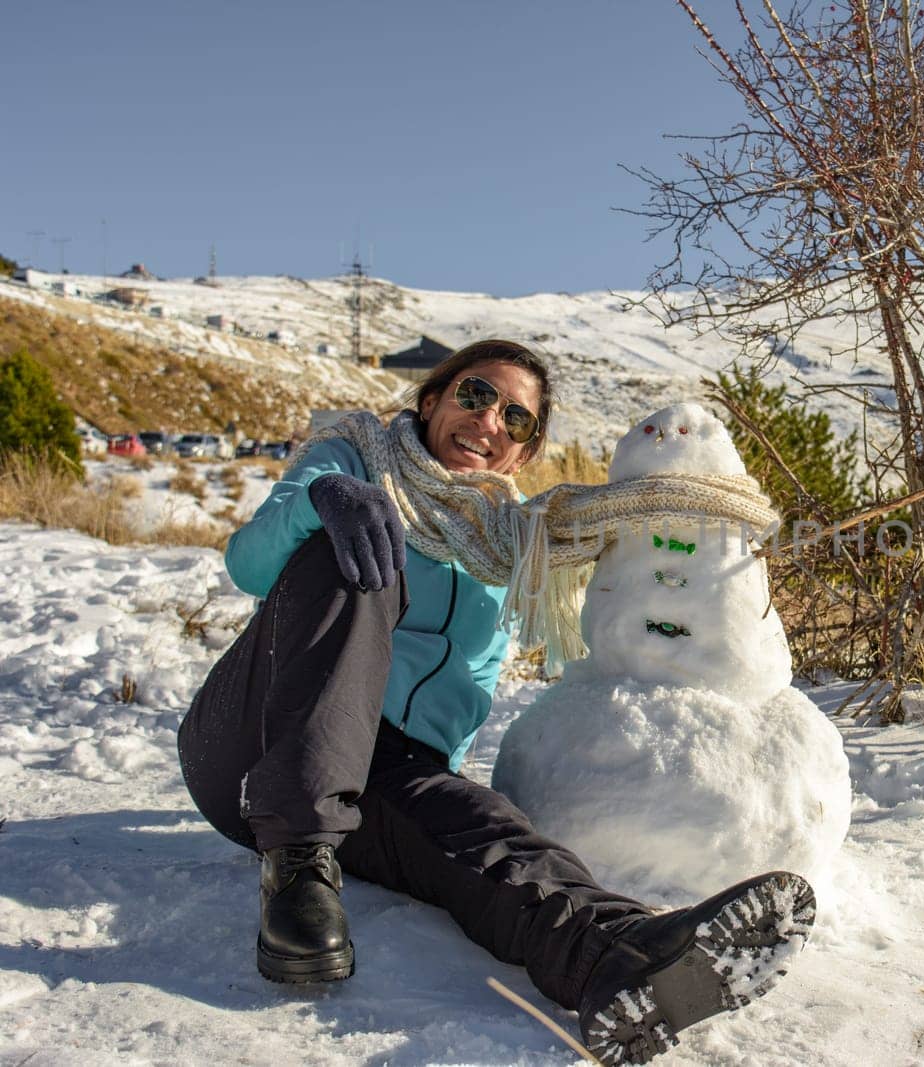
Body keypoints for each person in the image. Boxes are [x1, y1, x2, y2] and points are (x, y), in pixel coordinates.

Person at [177, 339, 812, 1065]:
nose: (490, 422)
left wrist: (689, 492)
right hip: (253, 740)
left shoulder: (514, 538)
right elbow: (248, 563)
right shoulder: (351, 458)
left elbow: (625, 515)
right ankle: (294, 869)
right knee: (354, 550)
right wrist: (321, 501)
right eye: (476, 395)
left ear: (523, 451)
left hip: (381, 766)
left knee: (487, 832)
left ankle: (617, 956)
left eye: (516, 418)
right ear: (432, 400)